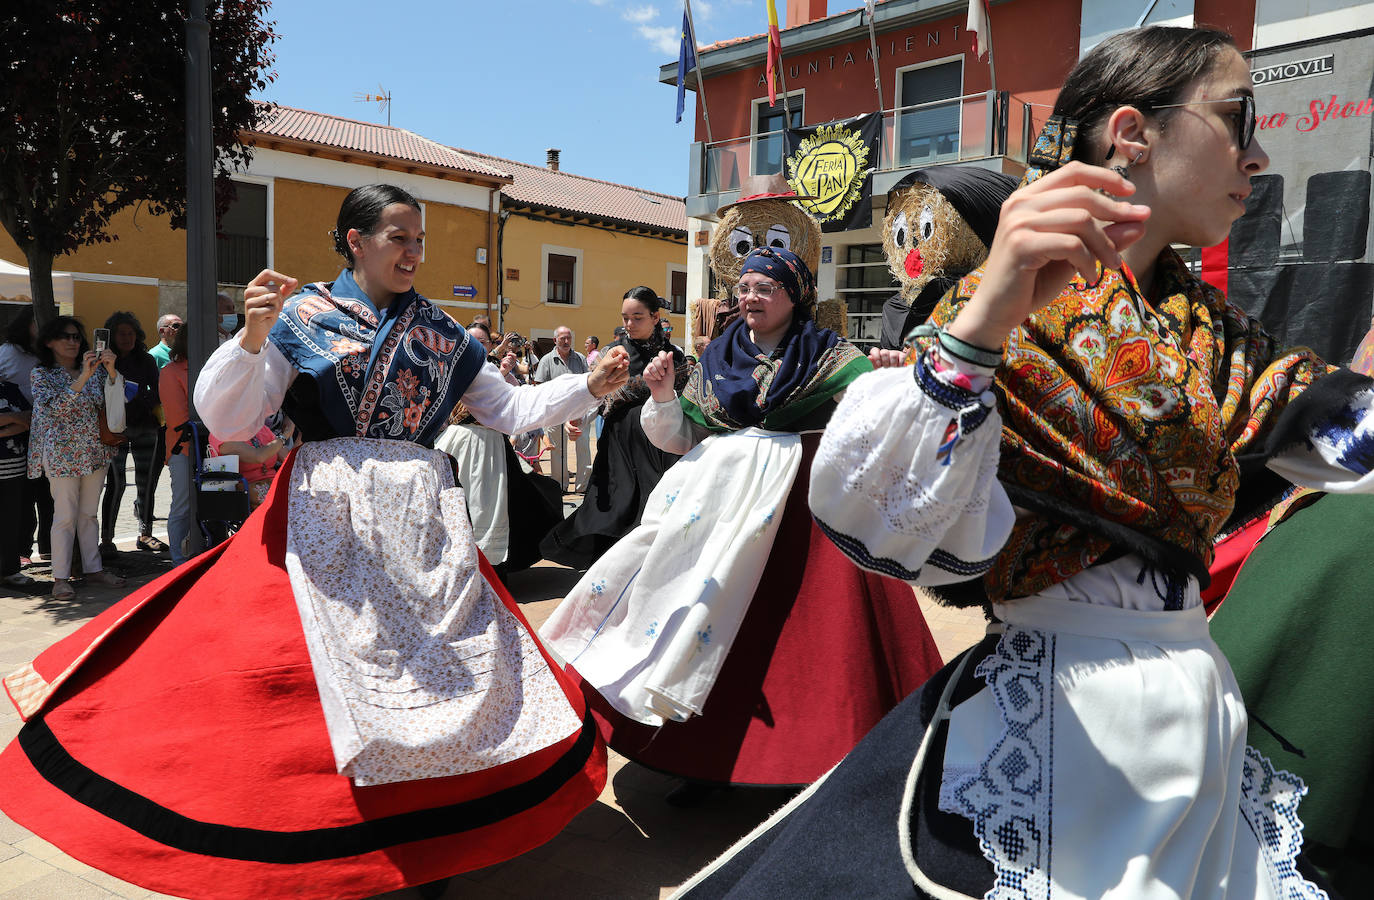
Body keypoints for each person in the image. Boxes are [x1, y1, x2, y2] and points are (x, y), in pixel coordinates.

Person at [672, 27, 1371, 899]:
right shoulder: (996, 314)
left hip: (1192, 717)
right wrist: (976, 333)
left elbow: (1346, 431)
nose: (1258, 155)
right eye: (1238, 119)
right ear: (1133, 133)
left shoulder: (1216, 339)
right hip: (1059, 717)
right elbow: (877, 519)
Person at [0, 183, 630, 900]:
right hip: (329, 510)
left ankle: (439, 837)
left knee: (448, 669)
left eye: (419, 239)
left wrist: (591, 388)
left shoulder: (443, 331)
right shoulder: (301, 315)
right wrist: (251, 335)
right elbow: (228, 414)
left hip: (422, 517)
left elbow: (511, 409)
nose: (412, 252)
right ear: (355, 241)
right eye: (398, 237)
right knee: (312, 679)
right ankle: (338, 839)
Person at [540, 248, 944, 798]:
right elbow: (687, 438)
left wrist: (890, 383)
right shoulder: (717, 359)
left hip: (806, 519)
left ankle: (811, 760)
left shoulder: (833, 356)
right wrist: (662, 398)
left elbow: (871, 431)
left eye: (765, 287)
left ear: (795, 295)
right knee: (703, 625)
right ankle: (702, 758)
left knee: (803, 638)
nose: (750, 296)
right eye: (745, 286)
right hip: (719, 516)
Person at [540, 287, 689, 569]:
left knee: (654, 502)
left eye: (637, 317)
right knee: (614, 502)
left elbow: (683, 401)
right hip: (620, 441)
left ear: (655, 317)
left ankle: (650, 565)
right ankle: (612, 568)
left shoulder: (673, 355)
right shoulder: (612, 354)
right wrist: (577, 421)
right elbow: (593, 394)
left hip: (660, 443)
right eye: (625, 318)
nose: (629, 324)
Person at [433, 322, 564, 578]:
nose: (476, 345)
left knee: (492, 504)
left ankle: (489, 569)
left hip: (492, 445)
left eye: (482, 342)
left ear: (490, 345)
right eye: (472, 340)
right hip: (459, 441)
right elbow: (458, 405)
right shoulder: (452, 367)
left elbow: (513, 406)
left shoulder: (495, 370)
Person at [26, 317, 128, 600]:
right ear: (49, 342)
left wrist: (110, 372)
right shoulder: (41, 374)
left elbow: (113, 404)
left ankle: (93, 569)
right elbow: (54, 409)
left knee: (88, 515)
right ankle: (60, 577)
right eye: (65, 337)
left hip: (95, 451)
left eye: (75, 337)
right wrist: (83, 376)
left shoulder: (95, 371)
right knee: (65, 516)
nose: (72, 342)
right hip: (60, 455)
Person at [98, 312, 167, 554]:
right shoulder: (104, 360)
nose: (127, 338)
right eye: (121, 333)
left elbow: (156, 390)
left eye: (131, 333)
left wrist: (145, 402)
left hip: (145, 426)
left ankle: (145, 534)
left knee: (146, 482)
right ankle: (106, 539)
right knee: (116, 484)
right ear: (112, 336)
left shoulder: (146, 360)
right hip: (114, 429)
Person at [0, 308, 51, 565]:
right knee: (23, 498)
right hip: (17, 440)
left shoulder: (47, 354)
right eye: (36, 323)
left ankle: (49, 547)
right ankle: (21, 551)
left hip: (44, 430)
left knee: (47, 493)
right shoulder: (7, 352)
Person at [533, 325, 591, 493]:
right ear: (555, 340)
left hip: (578, 412)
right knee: (557, 451)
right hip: (555, 413)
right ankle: (560, 486)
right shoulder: (546, 360)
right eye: (562, 338)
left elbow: (587, 383)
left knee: (583, 448)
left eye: (568, 338)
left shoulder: (580, 358)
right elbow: (540, 387)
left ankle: (582, 486)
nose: (566, 341)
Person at [156, 322, 195, 566]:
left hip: (214, 446)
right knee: (182, 505)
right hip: (184, 447)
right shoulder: (171, 372)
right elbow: (177, 418)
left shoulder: (212, 368)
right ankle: (179, 562)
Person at [0, 375, 33, 587]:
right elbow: (22, 419)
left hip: (14, 467)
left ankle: (10, 570)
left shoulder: (10, 388)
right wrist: (16, 418)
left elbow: (30, 419)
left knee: (11, 522)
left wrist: (6, 425)